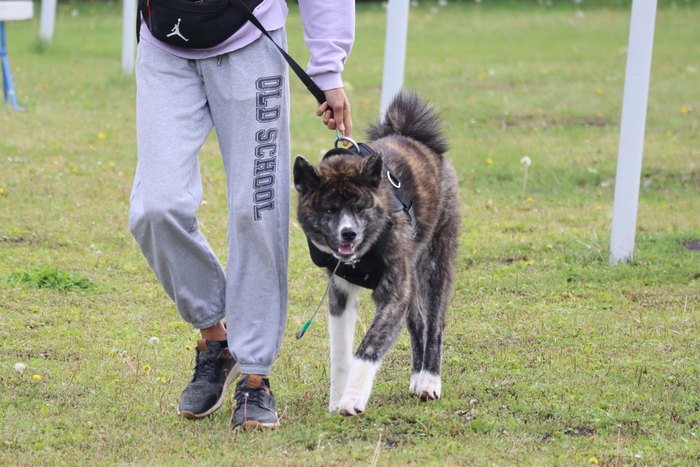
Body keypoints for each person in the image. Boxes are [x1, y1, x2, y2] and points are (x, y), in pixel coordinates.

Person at [128, 0, 354, 428]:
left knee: (256, 211)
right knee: (156, 207)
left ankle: (254, 375)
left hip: (249, 39)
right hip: (164, 42)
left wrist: (328, 68)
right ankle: (216, 340)